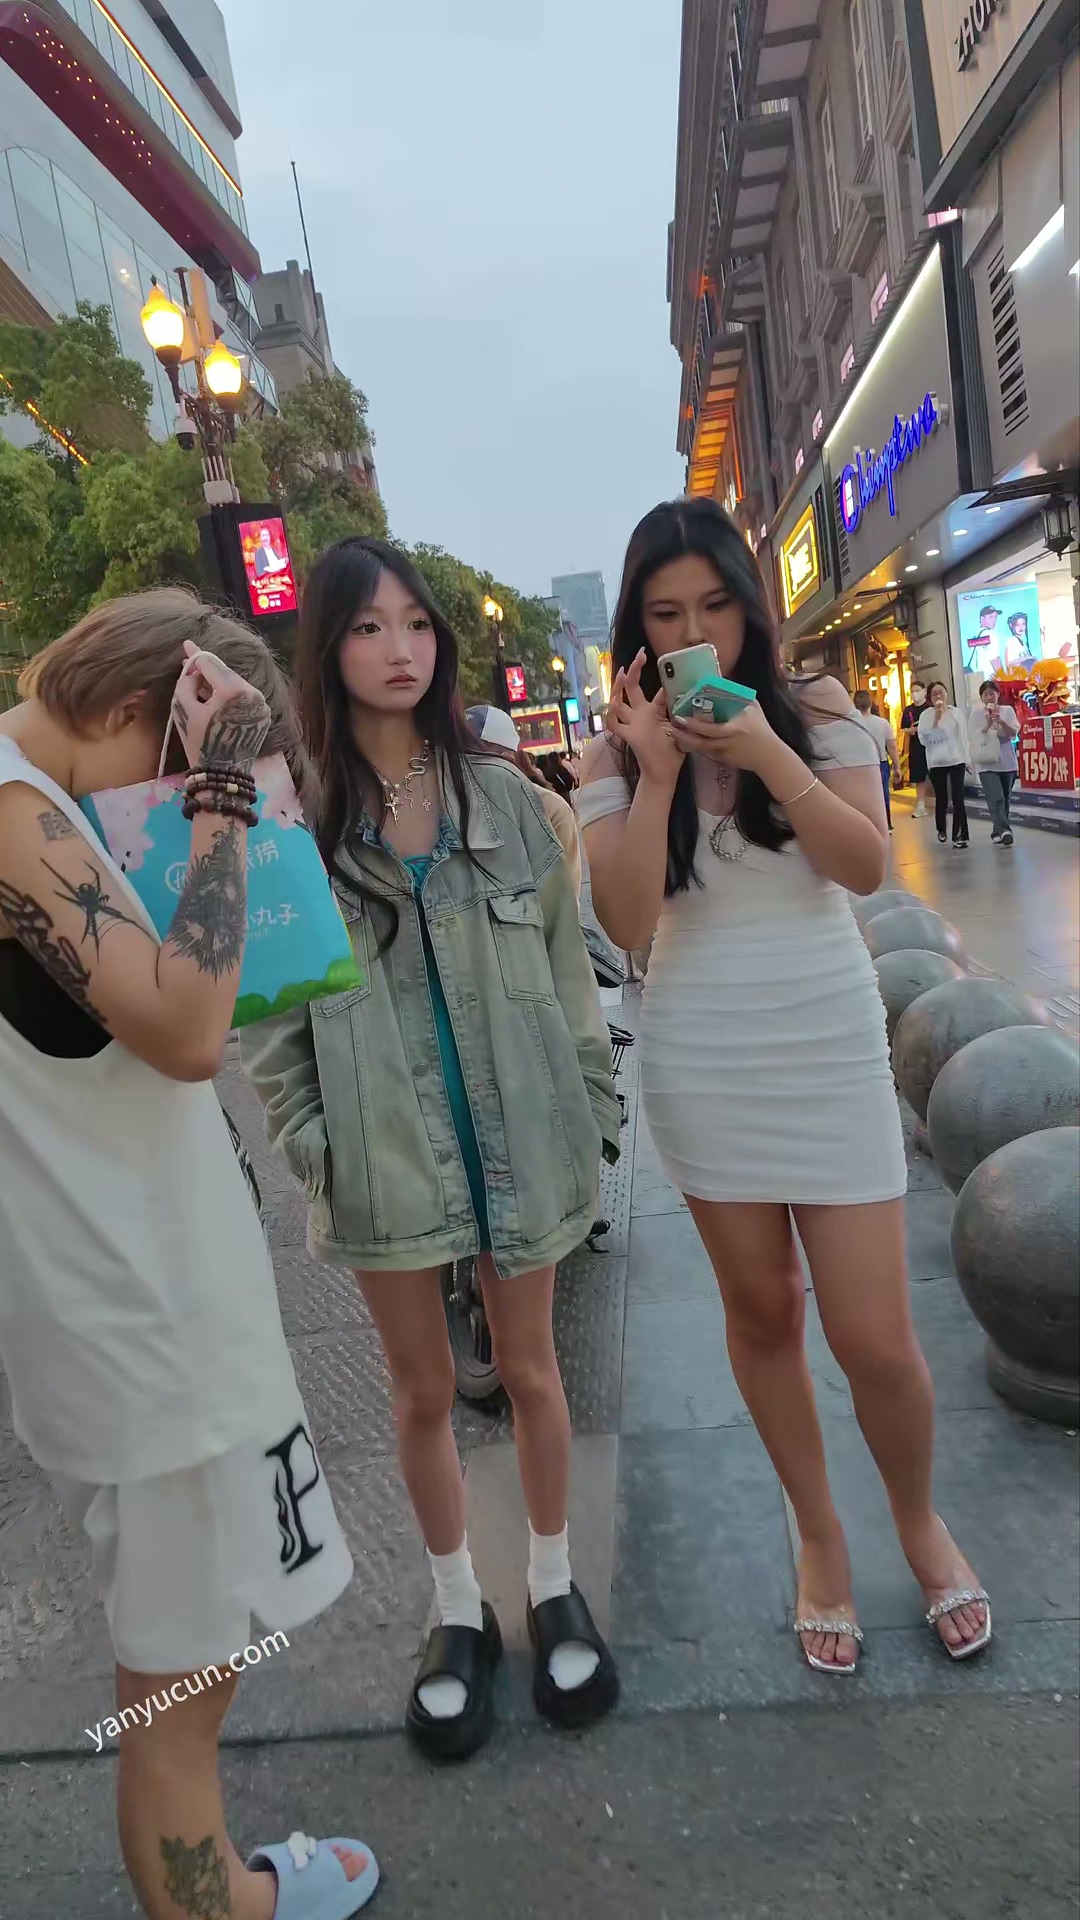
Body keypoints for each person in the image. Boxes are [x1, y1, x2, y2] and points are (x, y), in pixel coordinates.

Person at [0, 589, 379, 1920]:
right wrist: (221, 799)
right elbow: (184, 1029)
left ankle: (218, 1888)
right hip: (138, 1322)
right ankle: (223, 1906)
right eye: (162, 769)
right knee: (174, 1688)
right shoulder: (13, 812)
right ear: (126, 705)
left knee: (189, 1659)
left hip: (130, 1304)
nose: (155, 810)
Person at [579, 498, 989, 1675]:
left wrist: (763, 750)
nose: (693, 632)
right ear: (638, 628)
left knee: (878, 1341)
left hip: (825, 1041)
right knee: (762, 1313)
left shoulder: (815, 711)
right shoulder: (615, 753)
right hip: (704, 1057)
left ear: (750, 609)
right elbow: (626, 923)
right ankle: (818, 1533)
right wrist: (656, 773)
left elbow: (862, 865)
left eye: (715, 604)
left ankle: (918, 1520)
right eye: (666, 614)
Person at [241, 537, 621, 1760]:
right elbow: (272, 1021)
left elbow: (569, 972)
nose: (399, 649)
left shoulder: (508, 803)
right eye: (368, 627)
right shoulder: (293, 822)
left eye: (415, 623)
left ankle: (553, 1584)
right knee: (419, 1394)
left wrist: (593, 1105)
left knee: (534, 1374)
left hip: (526, 1135)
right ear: (329, 648)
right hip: (384, 1155)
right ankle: (456, 1608)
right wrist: (318, 1147)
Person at [466, 703, 582, 898]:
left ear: (507, 760)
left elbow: (565, 896)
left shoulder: (551, 809)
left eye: (473, 758)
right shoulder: (443, 809)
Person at [918, 683, 970, 847]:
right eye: (934, 694)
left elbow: (963, 737)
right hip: (937, 762)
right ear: (930, 698)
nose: (938, 696)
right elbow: (923, 739)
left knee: (958, 798)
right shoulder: (926, 715)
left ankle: (960, 835)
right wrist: (936, 720)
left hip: (956, 760)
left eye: (941, 692)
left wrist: (967, 758)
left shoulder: (956, 713)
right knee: (941, 798)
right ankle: (941, 828)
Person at [970, 681, 1020, 846]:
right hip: (986, 761)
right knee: (995, 797)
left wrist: (1001, 722)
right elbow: (974, 736)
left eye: (992, 693)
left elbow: (1013, 733)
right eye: (985, 694)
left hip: (1007, 761)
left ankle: (997, 830)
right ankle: (1005, 830)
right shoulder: (976, 715)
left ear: (998, 695)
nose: (989, 697)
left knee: (1004, 799)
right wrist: (988, 724)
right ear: (981, 698)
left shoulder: (1008, 710)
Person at [853, 690, 900, 831]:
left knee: (863, 795)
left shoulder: (851, 724)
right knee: (883, 793)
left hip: (858, 764)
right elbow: (892, 746)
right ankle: (886, 823)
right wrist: (897, 767)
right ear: (871, 704)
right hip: (880, 763)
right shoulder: (882, 723)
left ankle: (867, 825)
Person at [899, 681, 931, 817]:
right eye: (912, 691)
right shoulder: (908, 710)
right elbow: (903, 728)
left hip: (931, 745)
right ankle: (920, 805)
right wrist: (910, 730)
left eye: (917, 690)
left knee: (936, 774)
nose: (915, 694)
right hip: (916, 746)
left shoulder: (930, 708)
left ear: (924, 691)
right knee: (919, 777)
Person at [962, 605, 1001, 676]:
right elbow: (995, 660)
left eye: (995, 617)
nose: (994, 620)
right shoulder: (990, 635)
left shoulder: (974, 636)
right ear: (982, 619)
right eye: (991, 617)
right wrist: (1003, 676)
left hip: (974, 678)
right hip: (989, 679)